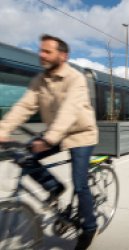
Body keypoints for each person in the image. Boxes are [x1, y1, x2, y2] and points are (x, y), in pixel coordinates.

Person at [0, 34, 98, 250]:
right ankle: (54, 187)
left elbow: (69, 110)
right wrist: (3, 129)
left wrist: (48, 139)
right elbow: (23, 107)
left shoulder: (76, 79)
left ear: (63, 56)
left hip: (81, 134)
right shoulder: (39, 80)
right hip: (55, 133)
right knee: (24, 158)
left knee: (80, 183)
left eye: (47, 51)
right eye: (40, 50)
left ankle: (90, 226)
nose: (41, 55)